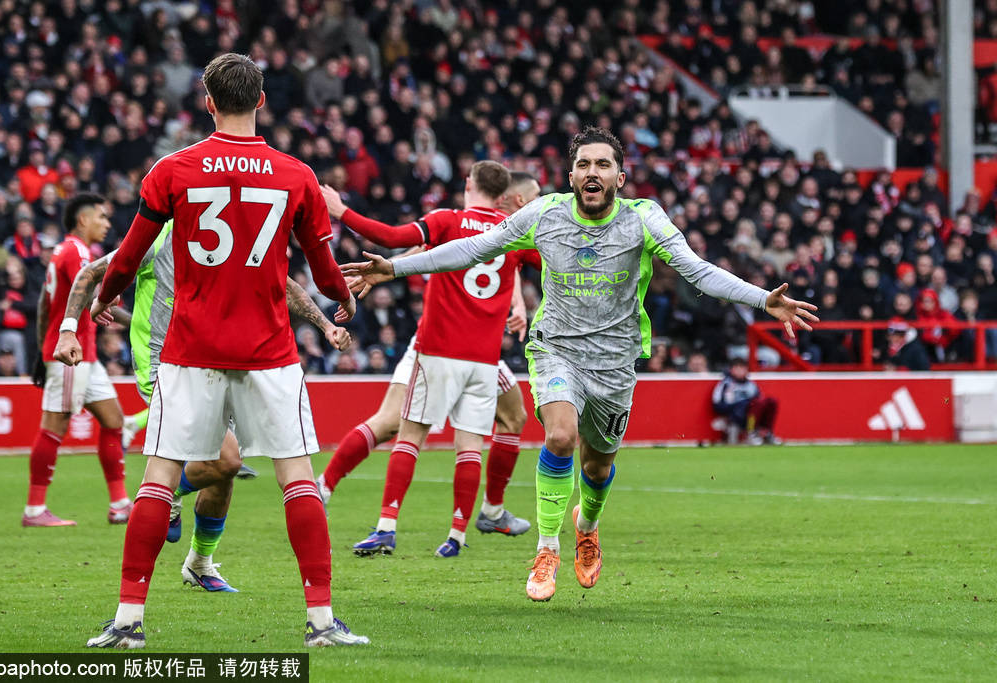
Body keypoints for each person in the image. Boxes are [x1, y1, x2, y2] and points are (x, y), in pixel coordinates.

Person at [343, 126, 817, 601]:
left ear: (620, 178)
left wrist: (763, 300)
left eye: (603, 164)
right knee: (560, 436)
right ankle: (546, 549)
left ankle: (586, 527)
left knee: (598, 466)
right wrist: (395, 267)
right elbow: (474, 248)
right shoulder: (545, 213)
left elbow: (697, 270)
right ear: (571, 175)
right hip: (556, 349)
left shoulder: (644, 218)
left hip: (615, 362)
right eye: (584, 164)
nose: (593, 172)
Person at [82, 53, 366, 648]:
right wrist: (343, 300)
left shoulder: (172, 170)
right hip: (269, 352)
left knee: (158, 481)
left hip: (190, 350)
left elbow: (128, 256)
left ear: (208, 102)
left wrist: (103, 299)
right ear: (261, 100)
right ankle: (320, 623)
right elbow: (322, 269)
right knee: (298, 480)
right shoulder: (296, 175)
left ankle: (128, 622)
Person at [55, 220, 351, 593]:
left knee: (223, 470)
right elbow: (91, 273)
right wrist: (69, 328)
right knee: (227, 459)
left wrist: (324, 325)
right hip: (163, 364)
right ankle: (168, 496)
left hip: (215, 359)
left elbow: (280, 282)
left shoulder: (231, 231)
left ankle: (199, 563)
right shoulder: (160, 236)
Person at [315, 171, 542, 543]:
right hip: (452, 346)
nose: (539, 205)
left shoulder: (462, 223)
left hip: (455, 345)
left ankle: (489, 511)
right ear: (515, 200)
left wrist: (516, 303)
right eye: (535, 198)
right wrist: (386, 273)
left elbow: (437, 250)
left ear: (470, 184)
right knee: (393, 423)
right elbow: (440, 253)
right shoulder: (512, 231)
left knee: (511, 414)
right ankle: (327, 489)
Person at [24, 193, 129, 528]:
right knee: (54, 425)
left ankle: (120, 504)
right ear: (83, 220)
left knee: (113, 420)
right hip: (72, 354)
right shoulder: (79, 252)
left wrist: (40, 349)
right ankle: (34, 510)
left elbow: (44, 304)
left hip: (84, 354)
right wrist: (140, 320)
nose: (107, 224)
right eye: (101, 217)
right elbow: (95, 299)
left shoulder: (62, 250)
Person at [712, 358, 780, 444]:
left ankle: (767, 432)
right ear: (731, 370)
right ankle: (750, 432)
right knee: (752, 404)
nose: (740, 371)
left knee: (771, 402)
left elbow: (759, 401)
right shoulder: (726, 384)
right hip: (735, 414)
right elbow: (718, 404)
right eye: (737, 368)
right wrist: (739, 405)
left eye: (742, 368)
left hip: (752, 414)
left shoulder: (751, 385)